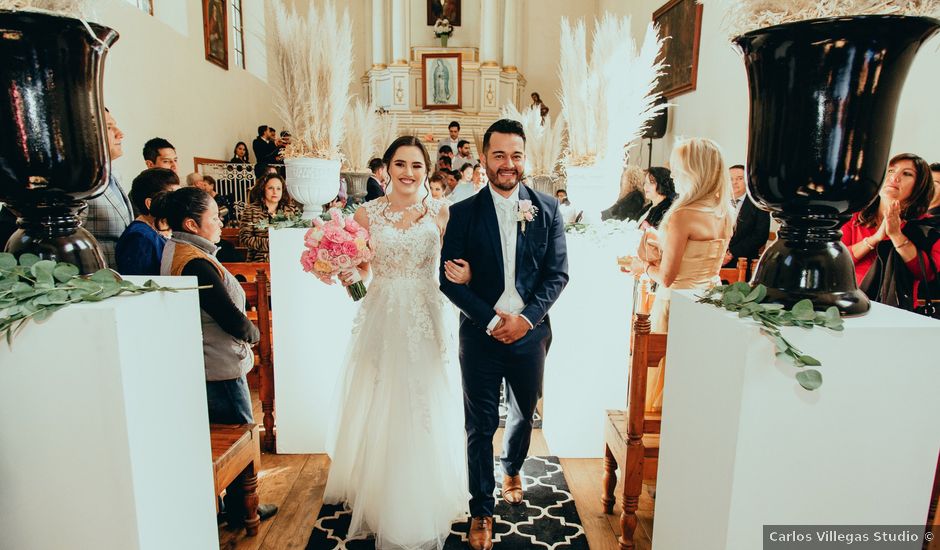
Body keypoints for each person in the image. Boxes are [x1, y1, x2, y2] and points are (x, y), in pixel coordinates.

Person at [323, 136, 469, 549]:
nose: (408, 173)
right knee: (383, 397)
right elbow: (363, 271)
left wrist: (466, 276)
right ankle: (384, 494)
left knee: (424, 397)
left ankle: (428, 491)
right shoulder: (367, 214)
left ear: (427, 171)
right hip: (383, 313)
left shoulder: (442, 213)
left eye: (417, 166)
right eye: (400, 164)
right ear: (387, 168)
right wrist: (348, 276)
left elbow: (455, 264)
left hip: (426, 313)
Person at [440, 119, 569, 550]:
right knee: (480, 423)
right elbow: (449, 280)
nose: (508, 164)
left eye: (516, 155)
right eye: (499, 155)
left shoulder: (547, 209)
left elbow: (556, 276)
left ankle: (513, 466)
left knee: (523, 409)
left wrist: (526, 320)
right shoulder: (462, 213)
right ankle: (481, 508)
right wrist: (493, 320)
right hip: (480, 334)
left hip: (531, 333)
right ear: (483, 158)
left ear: (524, 158)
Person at [154, 186, 278, 526]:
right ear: (193, 225)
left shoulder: (180, 250)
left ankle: (232, 504)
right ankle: (243, 508)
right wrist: (254, 334)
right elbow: (228, 316)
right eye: (214, 218)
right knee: (241, 436)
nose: (221, 223)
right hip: (219, 365)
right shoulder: (194, 262)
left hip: (209, 360)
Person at [627, 138, 734, 411]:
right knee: (695, 372)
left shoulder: (683, 215)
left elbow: (667, 277)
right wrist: (659, 239)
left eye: (677, 168)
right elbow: (700, 259)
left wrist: (642, 268)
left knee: (666, 371)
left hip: (675, 303)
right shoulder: (725, 213)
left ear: (694, 171)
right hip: (710, 300)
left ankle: (660, 432)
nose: (672, 174)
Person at [842, 153, 939, 312]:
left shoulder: (928, 226)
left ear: (920, 185)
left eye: (907, 173)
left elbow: (926, 273)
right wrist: (875, 239)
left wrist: (896, 235)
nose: (895, 177)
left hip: (898, 310)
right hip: (851, 305)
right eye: (891, 171)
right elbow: (838, 259)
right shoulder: (853, 214)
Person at [83, 108, 135, 267]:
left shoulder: (112, 175)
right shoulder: (81, 182)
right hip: (95, 280)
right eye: (109, 127)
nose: (120, 133)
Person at [115, 168, 180, 275]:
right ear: (150, 203)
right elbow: (140, 286)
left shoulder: (165, 230)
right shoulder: (140, 238)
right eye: (172, 197)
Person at [238, 173, 300, 262]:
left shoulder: (292, 210)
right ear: (263, 189)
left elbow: (298, 236)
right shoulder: (251, 210)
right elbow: (244, 238)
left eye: (278, 188)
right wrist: (272, 243)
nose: (275, 192)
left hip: (287, 258)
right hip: (259, 261)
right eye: (271, 188)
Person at [723, 164, 771, 268]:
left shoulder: (759, 204)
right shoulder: (718, 201)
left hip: (742, 259)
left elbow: (760, 235)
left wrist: (731, 253)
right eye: (730, 179)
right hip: (715, 258)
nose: (734, 182)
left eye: (739, 178)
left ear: (748, 180)